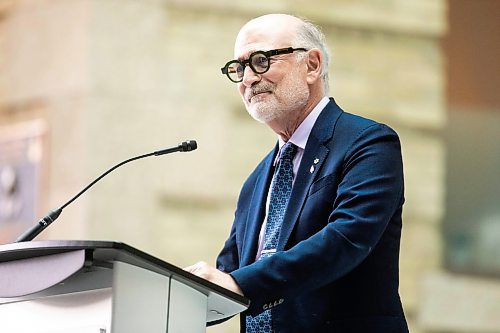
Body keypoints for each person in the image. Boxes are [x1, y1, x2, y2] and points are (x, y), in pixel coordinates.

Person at [185, 13, 409, 333]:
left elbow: (346, 239)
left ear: (312, 65)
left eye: (261, 61)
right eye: (239, 68)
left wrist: (239, 283)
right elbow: (228, 278)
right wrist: (170, 296)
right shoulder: (256, 182)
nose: (248, 78)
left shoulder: (368, 143)